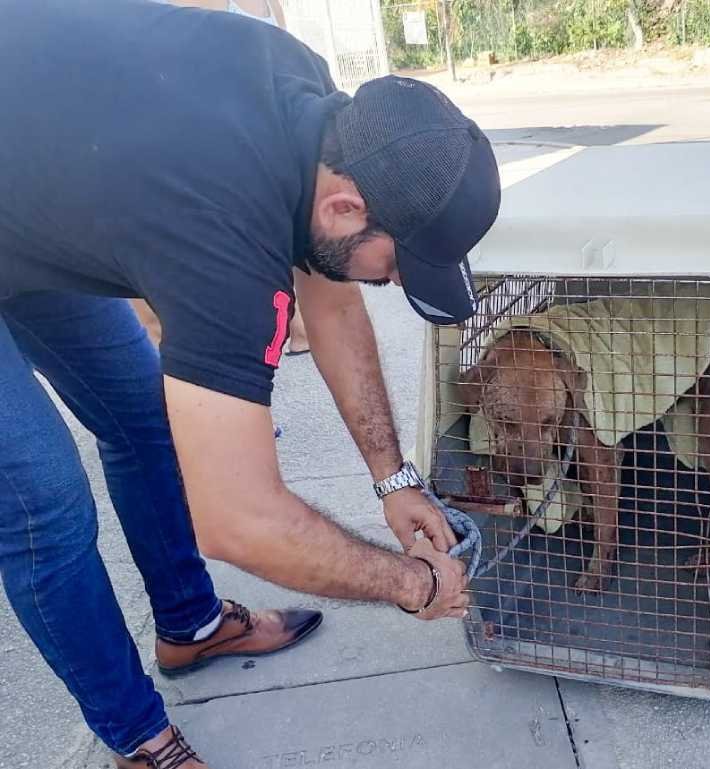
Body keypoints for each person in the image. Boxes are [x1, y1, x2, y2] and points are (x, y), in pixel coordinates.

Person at [0, 1, 500, 768]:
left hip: (32, 195)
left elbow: (332, 300)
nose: (397, 283)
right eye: (399, 267)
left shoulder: (314, 104)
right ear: (345, 207)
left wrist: (394, 479)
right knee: (45, 500)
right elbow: (238, 520)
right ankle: (137, 737)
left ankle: (190, 627)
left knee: (147, 422)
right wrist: (410, 583)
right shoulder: (221, 245)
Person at [131, 0, 312, 355]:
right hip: (177, 155)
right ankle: (166, 358)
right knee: (161, 288)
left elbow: (286, 64)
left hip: (255, 150)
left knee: (273, 248)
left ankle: (290, 325)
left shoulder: (267, 4)